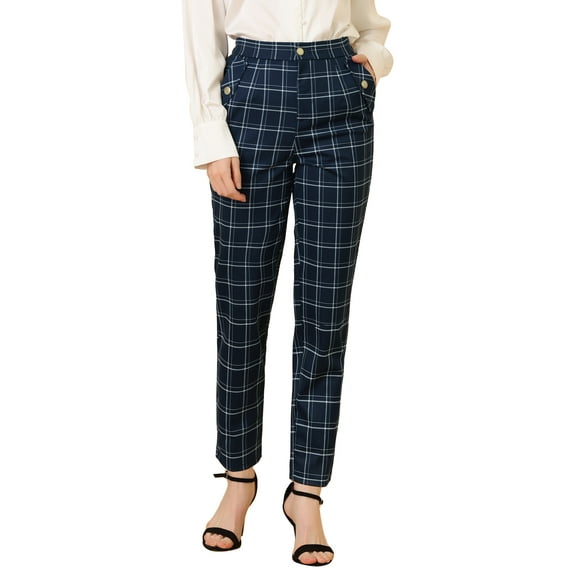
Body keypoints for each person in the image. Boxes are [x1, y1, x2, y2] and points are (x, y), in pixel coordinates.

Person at [182, 0, 393, 566]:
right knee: (241, 304)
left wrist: (372, 58)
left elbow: (368, 22)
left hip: (339, 98)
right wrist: (211, 134)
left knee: (326, 307)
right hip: (252, 95)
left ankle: (307, 491)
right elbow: (202, 30)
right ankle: (238, 477)